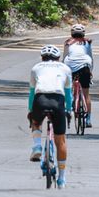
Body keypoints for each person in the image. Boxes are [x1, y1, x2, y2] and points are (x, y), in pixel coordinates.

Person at [28, 44, 72, 188]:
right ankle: (62, 179)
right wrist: (69, 110)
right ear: (58, 58)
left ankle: (37, 147)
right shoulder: (65, 68)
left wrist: (30, 110)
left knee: (35, 121)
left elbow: (32, 93)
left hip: (40, 99)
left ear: (42, 57)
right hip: (57, 101)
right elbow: (68, 94)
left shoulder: (36, 68)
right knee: (61, 141)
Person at [63, 23, 94, 128]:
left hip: (70, 67)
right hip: (85, 66)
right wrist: (91, 70)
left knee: (69, 88)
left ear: (72, 33)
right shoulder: (87, 42)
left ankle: (70, 107)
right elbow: (90, 56)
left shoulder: (68, 42)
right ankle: (88, 118)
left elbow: (64, 57)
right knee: (86, 94)